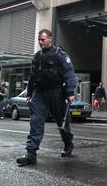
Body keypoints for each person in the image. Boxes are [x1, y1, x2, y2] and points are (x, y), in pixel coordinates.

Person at [16, 29, 77, 166]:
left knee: (62, 123)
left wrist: (70, 92)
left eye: (43, 39)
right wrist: (30, 93)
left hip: (56, 91)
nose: (40, 42)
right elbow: (32, 76)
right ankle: (31, 153)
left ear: (50, 39)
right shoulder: (37, 56)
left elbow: (69, 73)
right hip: (40, 92)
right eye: (39, 39)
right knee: (35, 121)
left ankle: (68, 143)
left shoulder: (60, 54)